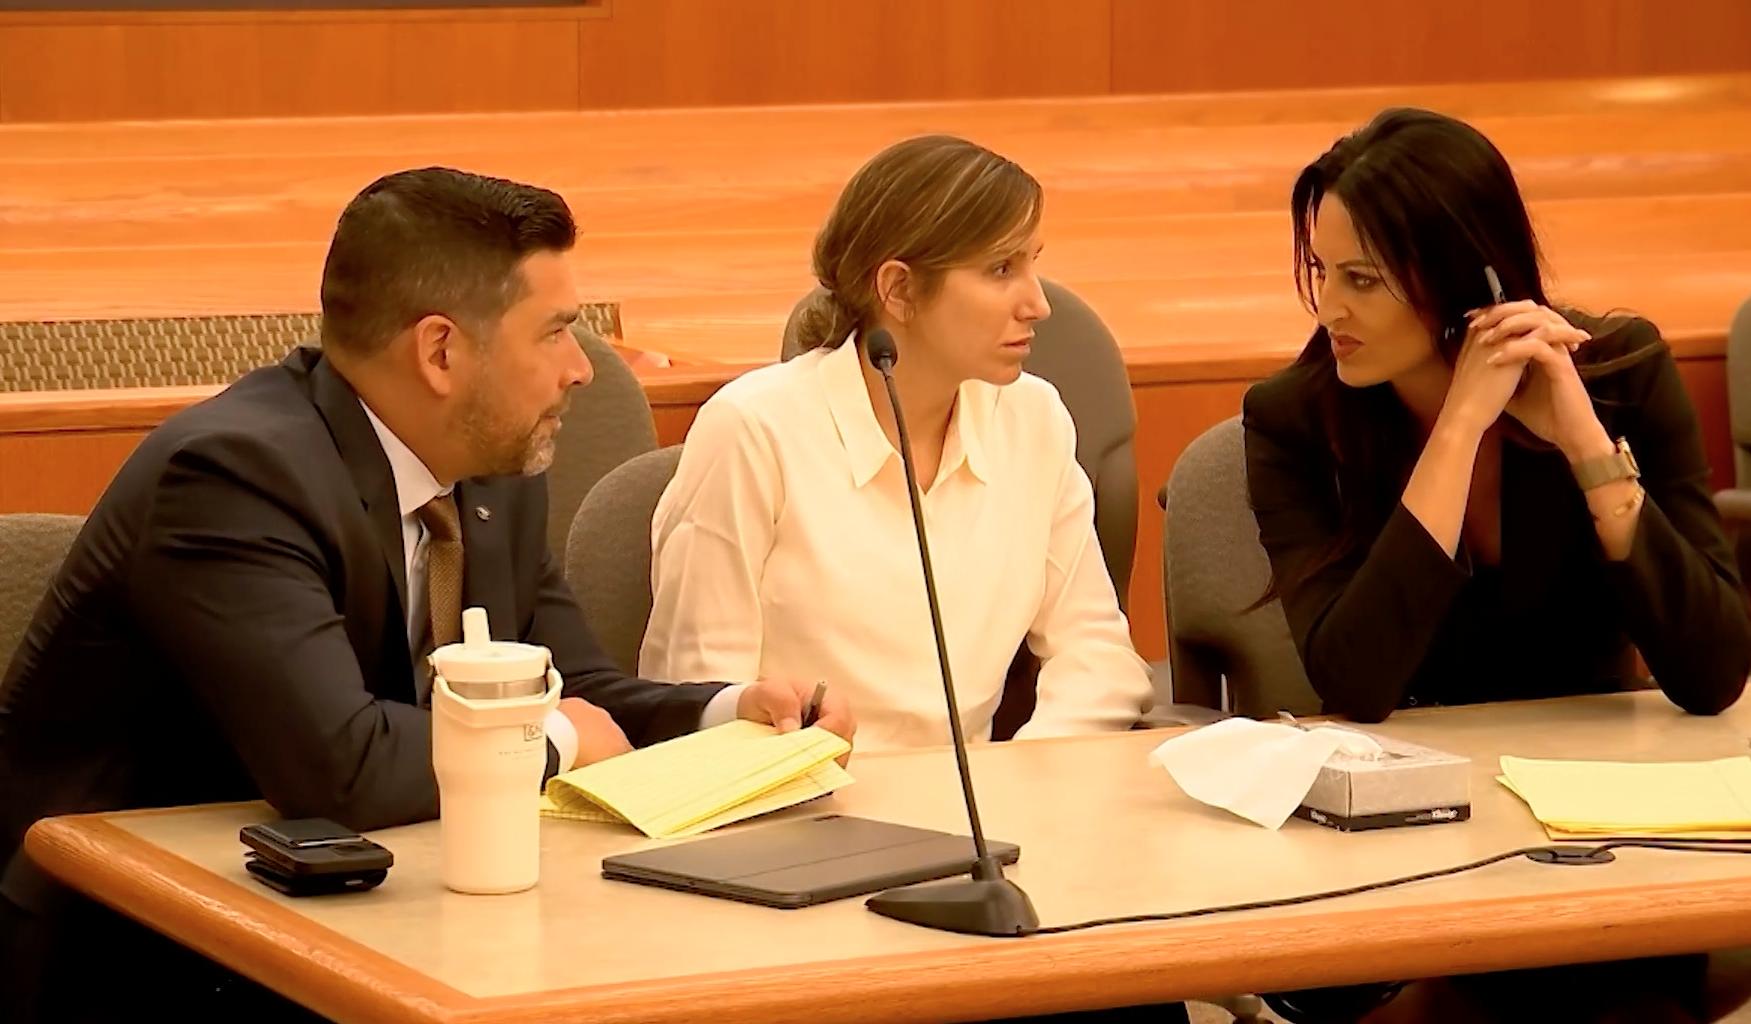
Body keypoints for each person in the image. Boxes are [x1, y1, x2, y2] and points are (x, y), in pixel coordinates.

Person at [0, 167, 853, 1022]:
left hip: (378, 911)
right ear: (440, 351)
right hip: (147, 950)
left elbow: (578, 692)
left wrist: (728, 717)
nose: (580, 371)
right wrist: (553, 737)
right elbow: (343, 768)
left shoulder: (491, 466)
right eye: (555, 333)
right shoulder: (233, 476)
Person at [1244, 107, 1749, 1022]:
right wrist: (1460, 424)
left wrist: (1587, 447)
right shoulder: (1292, 419)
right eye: (1323, 273)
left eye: (1363, 280)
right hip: (1396, 846)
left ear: (1463, 283)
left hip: (1592, 842)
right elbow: (1355, 680)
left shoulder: (1619, 372)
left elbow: (1712, 672)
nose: (1331, 309)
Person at [637, 134, 1154, 752]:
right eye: (1000, 269)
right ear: (899, 290)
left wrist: (1027, 776)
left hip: (983, 812)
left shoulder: (1033, 418)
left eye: (1032, 262)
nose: (1038, 303)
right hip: (801, 814)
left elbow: (1097, 652)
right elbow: (701, 697)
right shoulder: (753, 430)